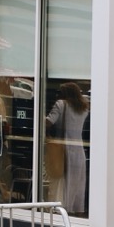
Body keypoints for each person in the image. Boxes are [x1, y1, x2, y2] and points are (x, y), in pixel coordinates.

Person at [45, 82, 89, 213]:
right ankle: (74, 209)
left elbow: (48, 122)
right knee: (76, 183)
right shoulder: (84, 108)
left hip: (62, 150)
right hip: (78, 150)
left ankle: (61, 209)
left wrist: (39, 115)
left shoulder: (60, 104)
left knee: (61, 182)